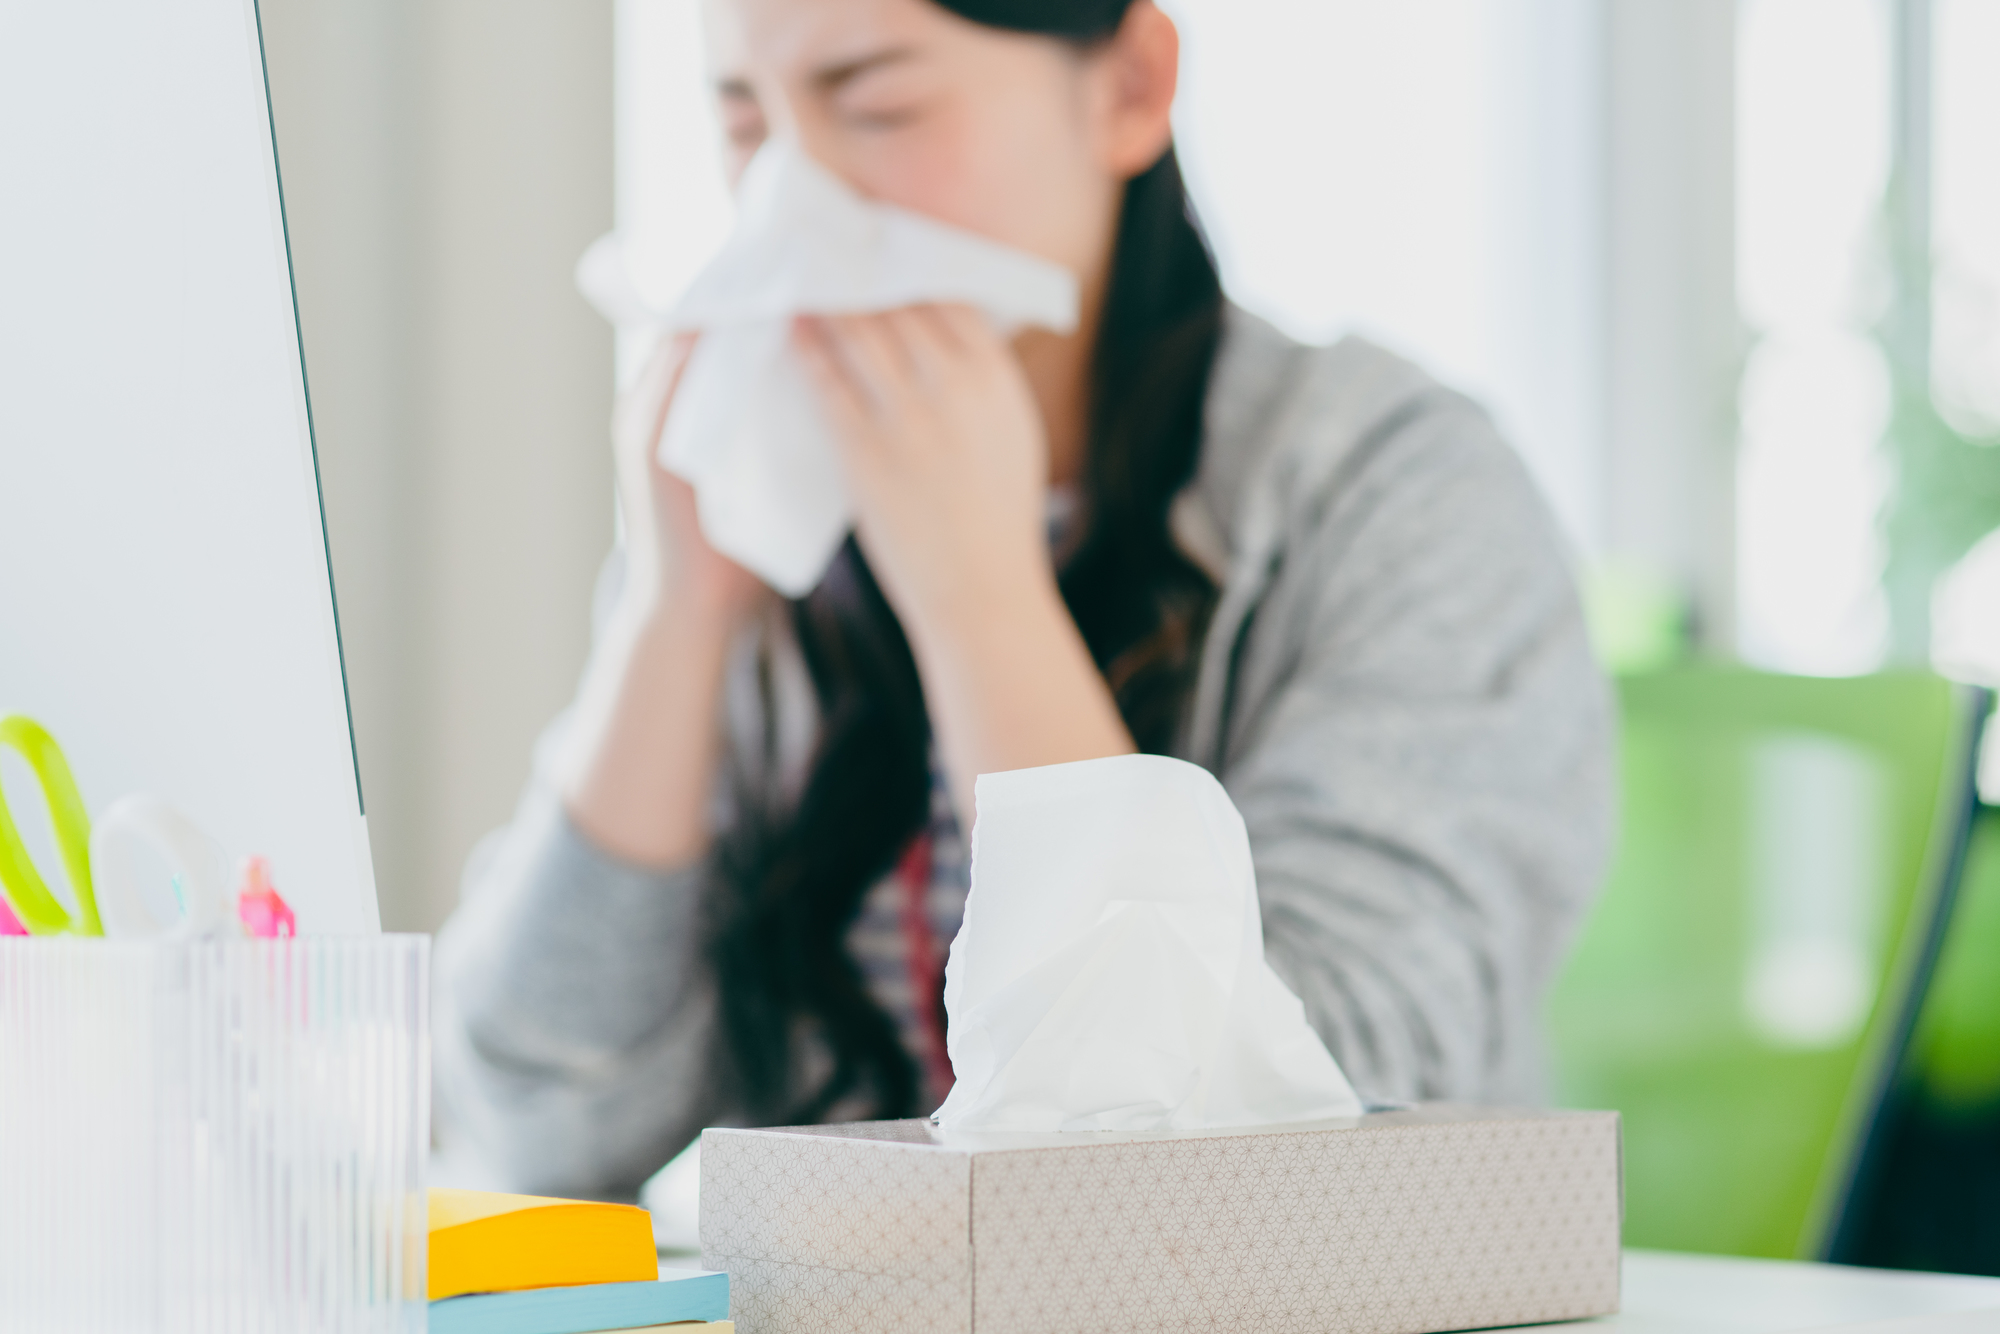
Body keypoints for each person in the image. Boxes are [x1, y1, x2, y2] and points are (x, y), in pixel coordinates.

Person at [434, 0, 1615, 1200]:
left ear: (1128, 87)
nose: (795, 204)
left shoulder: (1394, 491)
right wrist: (673, 618)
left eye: (877, 102)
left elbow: (1262, 1149)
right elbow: (535, 1129)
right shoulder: (766, 525)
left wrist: (979, 596)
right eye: (744, 121)